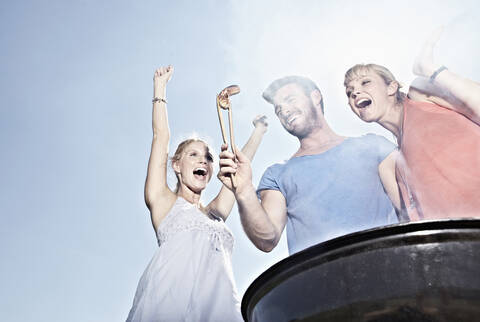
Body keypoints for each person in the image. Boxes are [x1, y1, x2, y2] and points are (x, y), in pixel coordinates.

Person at [126, 66, 268, 322]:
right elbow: (161, 136)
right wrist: (160, 87)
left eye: (208, 157)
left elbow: (240, 165)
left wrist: (259, 130)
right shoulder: (163, 201)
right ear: (177, 166)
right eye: (193, 154)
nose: (203, 160)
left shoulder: (215, 213)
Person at [218, 75, 398, 255]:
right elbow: (267, 239)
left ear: (315, 97)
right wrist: (243, 191)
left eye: (290, 100)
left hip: (385, 267)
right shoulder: (277, 174)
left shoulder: (374, 146)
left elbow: (409, 204)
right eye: (279, 110)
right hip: (319, 278)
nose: (285, 111)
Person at [343, 28, 480, 220]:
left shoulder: (420, 95)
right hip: (460, 242)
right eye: (350, 92)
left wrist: (432, 71)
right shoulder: (398, 165)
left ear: (391, 87)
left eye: (365, 83)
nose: (355, 93)